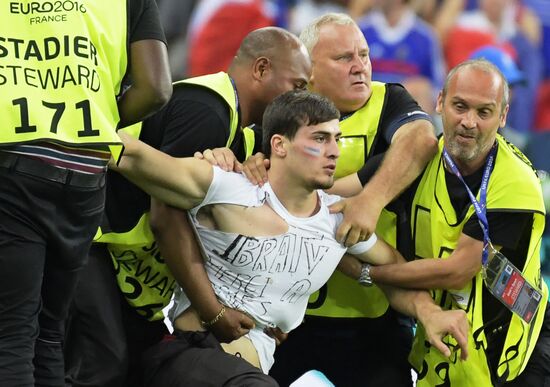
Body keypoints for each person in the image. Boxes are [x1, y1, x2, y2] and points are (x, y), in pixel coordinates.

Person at [111, 89, 470, 386]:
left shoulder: (336, 221)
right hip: (186, 358)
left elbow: (394, 268)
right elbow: (135, 157)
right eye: (320, 138)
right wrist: (75, 114)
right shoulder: (228, 186)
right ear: (279, 145)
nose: (334, 151)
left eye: (337, 139)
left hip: (255, 369)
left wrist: (429, 312)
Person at [64, 26, 312, 387]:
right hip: (95, 245)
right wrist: (212, 311)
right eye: (298, 86)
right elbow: (166, 217)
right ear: (261, 69)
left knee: (133, 366)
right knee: (103, 365)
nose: (300, 101)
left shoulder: (242, 134)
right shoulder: (206, 108)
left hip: (128, 270)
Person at [333, 59, 550, 386]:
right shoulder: (415, 162)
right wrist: (265, 169)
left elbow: (457, 270)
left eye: (484, 112)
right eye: (460, 106)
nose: (469, 122)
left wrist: (369, 274)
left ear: (503, 117)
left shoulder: (515, 182)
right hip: (445, 346)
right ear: (439, 102)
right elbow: (332, 196)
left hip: (517, 352)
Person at [0, 1, 171, 386]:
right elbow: (156, 89)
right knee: (49, 334)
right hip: (86, 169)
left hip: (13, 159)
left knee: (10, 335)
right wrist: (95, 118)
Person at [263, 13, 439, 386]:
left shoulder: (388, 99)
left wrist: (369, 201)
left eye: (364, 54)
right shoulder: (281, 111)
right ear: (309, 69)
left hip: (373, 316)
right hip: (286, 317)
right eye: (344, 58)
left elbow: (422, 140)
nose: (360, 67)